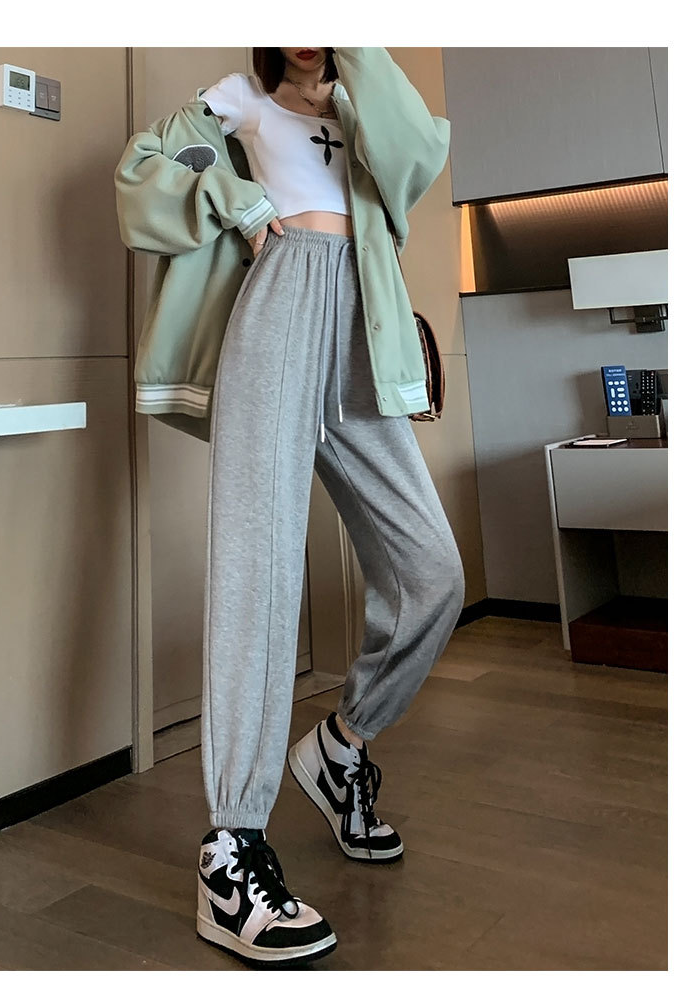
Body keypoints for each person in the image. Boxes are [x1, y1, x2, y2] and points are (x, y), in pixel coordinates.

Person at [192, 48, 466, 966]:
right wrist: (244, 205)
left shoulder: (364, 103)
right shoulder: (238, 97)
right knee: (259, 574)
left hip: (363, 325)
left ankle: (340, 746)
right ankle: (231, 848)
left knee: (433, 574)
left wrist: (358, 55)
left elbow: (418, 157)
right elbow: (149, 168)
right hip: (278, 307)